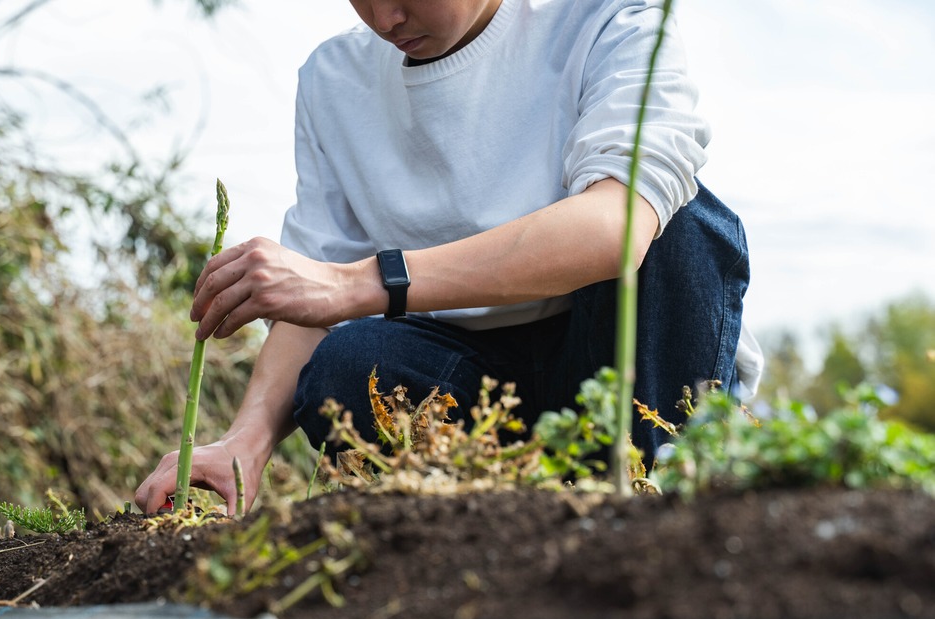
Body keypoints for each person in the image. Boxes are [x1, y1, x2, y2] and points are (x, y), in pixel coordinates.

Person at [134, 0, 762, 515]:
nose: (384, 18)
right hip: (467, 375)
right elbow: (312, 298)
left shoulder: (608, 17)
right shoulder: (334, 79)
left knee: (676, 222)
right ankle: (479, 513)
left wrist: (363, 283)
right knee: (344, 367)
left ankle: (663, 490)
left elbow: (615, 228)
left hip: (624, 358)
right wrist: (244, 444)